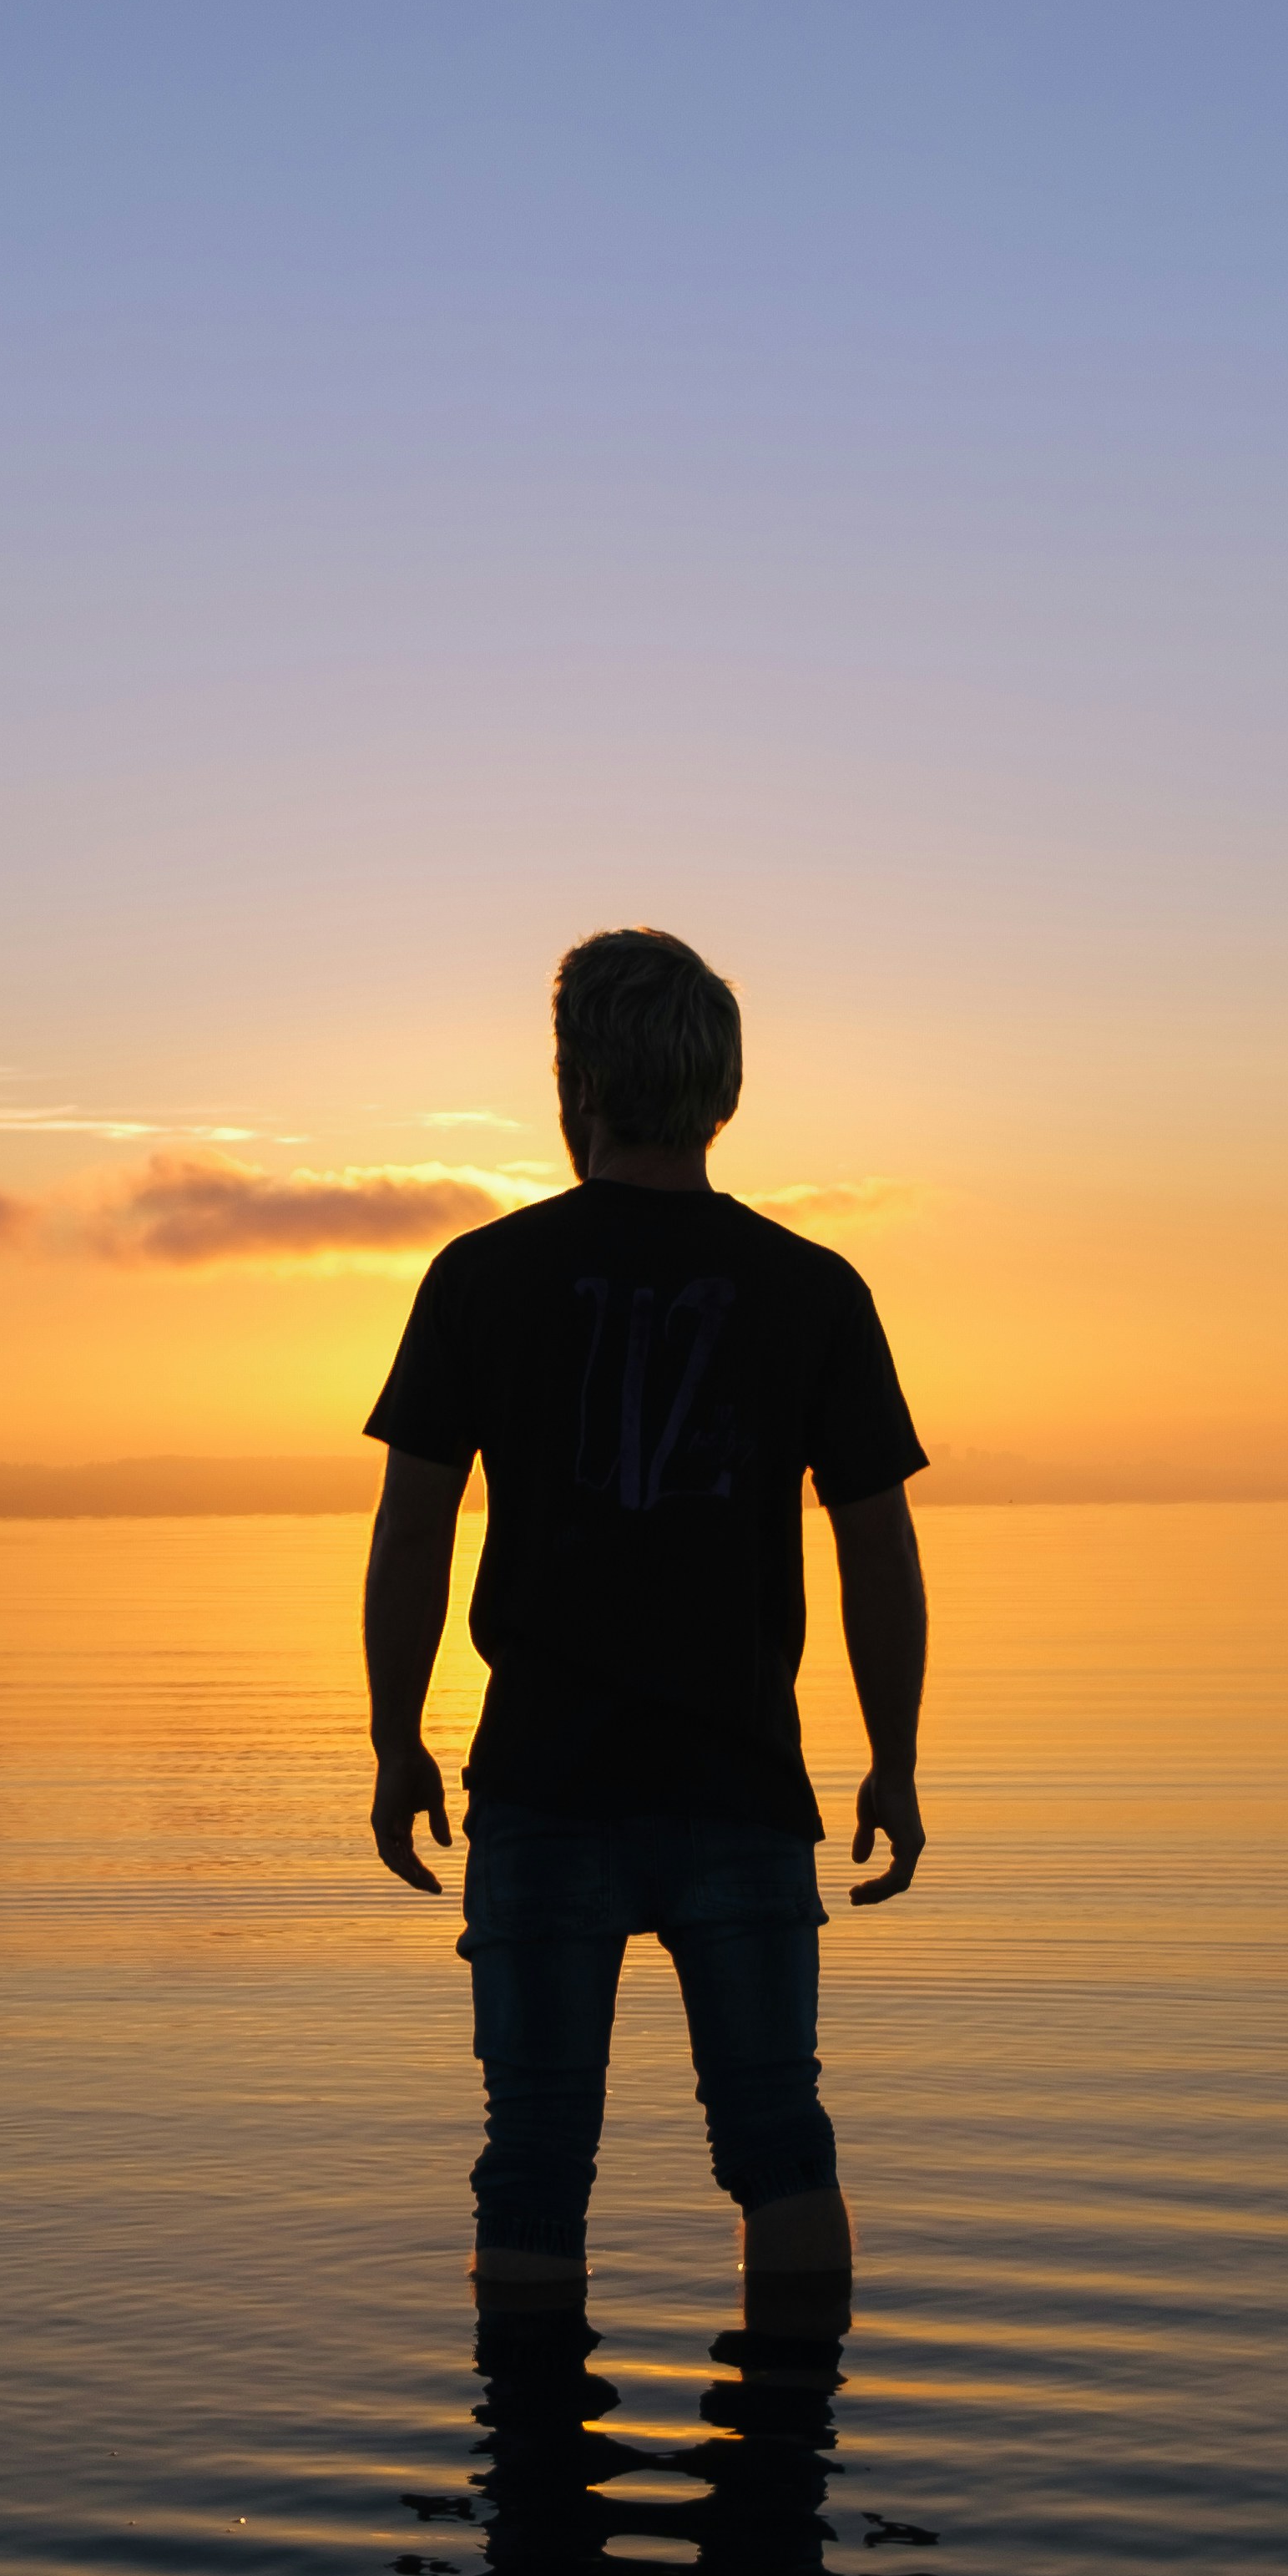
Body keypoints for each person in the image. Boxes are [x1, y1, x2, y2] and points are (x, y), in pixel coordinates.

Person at [361, 927, 931, 2293]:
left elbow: (413, 1534)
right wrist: (895, 1763)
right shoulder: (814, 1289)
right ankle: (791, 2459)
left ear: (579, 1084)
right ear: (720, 1089)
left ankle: (536, 2484)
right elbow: (878, 1553)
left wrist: (396, 1744)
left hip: (546, 1785)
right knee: (779, 2146)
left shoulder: (481, 1278)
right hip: (738, 1786)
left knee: (536, 2162)